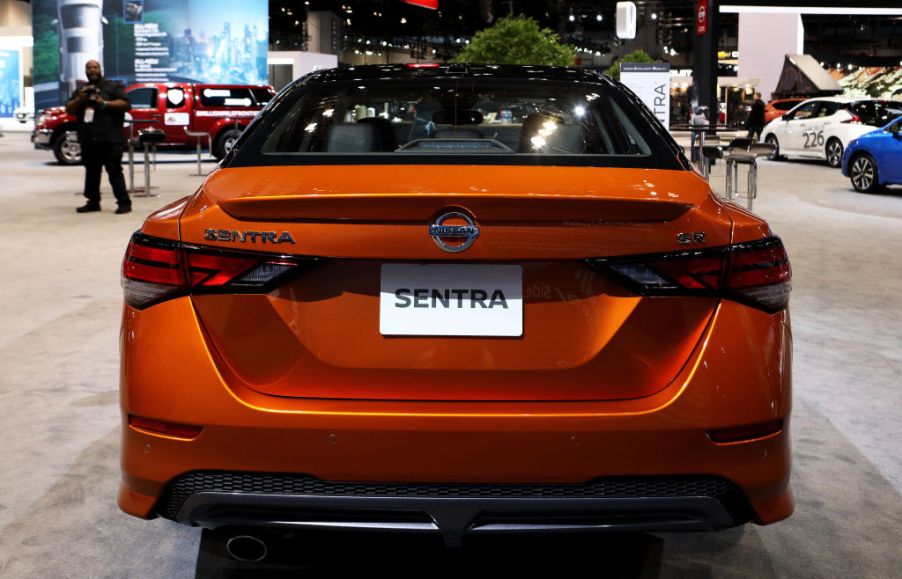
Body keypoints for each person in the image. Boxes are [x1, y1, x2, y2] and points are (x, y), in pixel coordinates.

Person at [65, 60, 132, 214]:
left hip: (111, 138)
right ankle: (93, 202)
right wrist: (81, 98)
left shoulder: (113, 87)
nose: (92, 70)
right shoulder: (81, 90)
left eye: (95, 67)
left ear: (100, 69)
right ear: (86, 71)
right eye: (89, 68)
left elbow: (126, 104)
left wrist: (105, 103)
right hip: (89, 139)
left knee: (114, 171)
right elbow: (69, 109)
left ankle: (124, 203)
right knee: (91, 173)